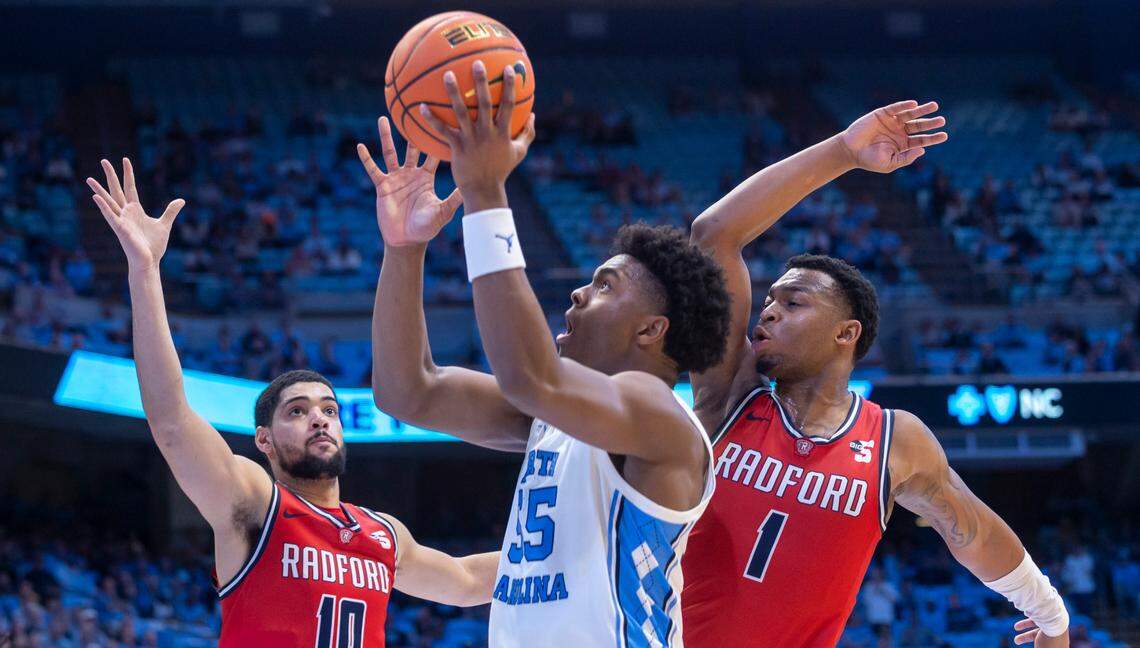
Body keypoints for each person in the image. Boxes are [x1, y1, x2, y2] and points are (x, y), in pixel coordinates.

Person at [363, 61, 731, 647]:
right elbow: (409, 391)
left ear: (650, 330)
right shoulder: (552, 419)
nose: (579, 292)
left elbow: (531, 375)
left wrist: (486, 192)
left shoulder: (657, 415)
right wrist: (405, 249)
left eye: (606, 286)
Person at [679, 102, 1070, 646]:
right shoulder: (730, 393)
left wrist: (1050, 615)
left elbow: (970, 529)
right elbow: (713, 233)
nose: (766, 312)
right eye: (768, 301)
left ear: (847, 333)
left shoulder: (894, 439)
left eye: (793, 303)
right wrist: (842, 152)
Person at [85, 158, 499, 646]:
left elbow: (469, 581)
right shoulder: (255, 504)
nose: (319, 420)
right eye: (297, 412)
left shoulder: (384, 534)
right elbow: (171, 422)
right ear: (264, 439)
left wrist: (581, 534)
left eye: (328, 409)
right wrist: (145, 270)